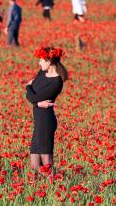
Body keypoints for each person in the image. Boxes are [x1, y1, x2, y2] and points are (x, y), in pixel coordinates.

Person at [26, 46, 68, 179]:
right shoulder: (41, 73)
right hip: (38, 122)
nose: (39, 63)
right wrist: (36, 100)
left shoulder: (57, 82)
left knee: (46, 162)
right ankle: (52, 182)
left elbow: (33, 97)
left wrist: (29, 88)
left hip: (46, 123)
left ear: (49, 62)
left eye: (41, 61)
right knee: (34, 165)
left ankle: (56, 184)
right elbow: (33, 97)